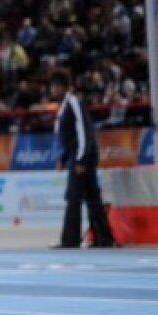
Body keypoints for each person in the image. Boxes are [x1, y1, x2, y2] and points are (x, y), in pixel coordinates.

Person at [51, 70, 116, 248]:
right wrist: (64, 158)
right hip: (78, 154)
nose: (53, 90)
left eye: (56, 86)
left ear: (63, 87)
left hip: (83, 155)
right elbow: (69, 136)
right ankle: (104, 238)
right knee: (92, 197)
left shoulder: (73, 102)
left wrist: (80, 160)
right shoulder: (64, 105)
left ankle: (70, 239)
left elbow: (82, 132)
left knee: (73, 197)